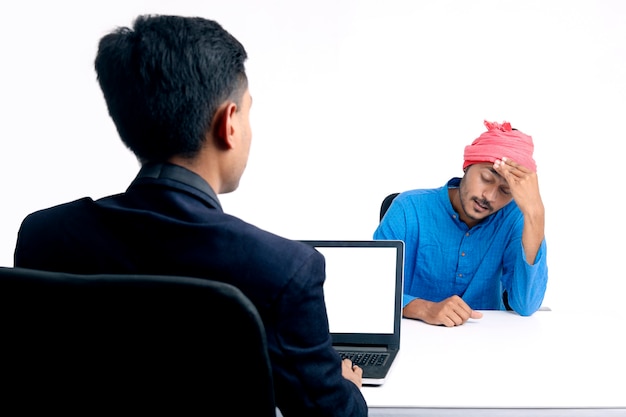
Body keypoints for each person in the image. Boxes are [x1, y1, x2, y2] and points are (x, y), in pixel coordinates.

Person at [14, 15, 367, 417]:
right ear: (228, 123)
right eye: (247, 112)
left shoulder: (43, 236)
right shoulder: (284, 270)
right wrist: (347, 388)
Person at [374, 120, 548, 327]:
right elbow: (373, 289)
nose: (489, 196)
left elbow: (526, 306)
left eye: (505, 191)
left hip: (487, 341)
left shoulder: (513, 219)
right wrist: (425, 308)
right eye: (486, 178)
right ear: (467, 166)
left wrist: (535, 214)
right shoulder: (408, 208)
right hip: (414, 337)